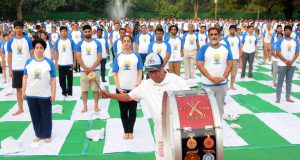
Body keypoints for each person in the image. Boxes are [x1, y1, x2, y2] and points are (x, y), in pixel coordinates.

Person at [100, 53, 189, 160]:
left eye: (153, 71)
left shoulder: (177, 81)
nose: (151, 75)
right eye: (148, 71)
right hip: (161, 136)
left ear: (161, 67)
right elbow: (128, 97)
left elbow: (190, 101)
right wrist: (109, 95)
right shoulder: (146, 85)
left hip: (180, 132)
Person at [22, 38, 56, 143]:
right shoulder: (28, 62)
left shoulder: (49, 63)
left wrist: (53, 93)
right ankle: (38, 133)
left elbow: (53, 79)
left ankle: (46, 134)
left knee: (46, 115)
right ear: (34, 49)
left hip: (44, 94)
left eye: (41, 48)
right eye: (37, 48)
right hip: (31, 93)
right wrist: (23, 91)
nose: (39, 50)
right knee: (35, 115)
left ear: (44, 49)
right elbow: (25, 77)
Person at [197, 27, 233, 117]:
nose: (214, 36)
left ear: (220, 36)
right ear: (208, 36)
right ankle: (208, 128)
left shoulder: (226, 48)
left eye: (216, 34)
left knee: (219, 108)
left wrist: (223, 77)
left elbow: (230, 64)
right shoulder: (203, 48)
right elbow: (200, 65)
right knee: (205, 108)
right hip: (207, 84)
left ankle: (218, 126)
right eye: (211, 35)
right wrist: (210, 78)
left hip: (222, 83)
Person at [112, 35, 143, 140]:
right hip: (122, 89)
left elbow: (140, 71)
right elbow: (115, 73)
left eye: (128, 41)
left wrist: (138, 83)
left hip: (134, 89)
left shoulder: (136, 56)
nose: (126, 43)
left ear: (131, 43)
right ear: (122, 43)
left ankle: (131, 130)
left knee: (133, 111)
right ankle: (126, 131)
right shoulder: (118, 57)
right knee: (123, 111)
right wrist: (118, 87)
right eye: (124, 41)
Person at [7, 20, 34, 116]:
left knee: (30, 89)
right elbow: (9, 56)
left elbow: (31, 53)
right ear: (14, 29)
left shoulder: (28, 40)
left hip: (27, 69)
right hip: (16, 69)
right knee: (18, 90)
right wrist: (10, 69)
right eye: (16, 28)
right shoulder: (10, 41)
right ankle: (20, 108)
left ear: (23, 29)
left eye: (20, 28)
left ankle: (32, 108)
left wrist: (33, 66)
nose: (18, 30)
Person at [76, 25, 102, 112]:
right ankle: (85, 106)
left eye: (89, 31)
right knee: (84, 89)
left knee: (95, 89)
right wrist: (85, 68)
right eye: (85, 32)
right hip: (84, 71)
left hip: (95, 70)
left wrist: (91, 68)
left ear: (91, 31)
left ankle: (96, 106)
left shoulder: (97, 43)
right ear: (83, 33)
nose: (87, 33)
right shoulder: (80, 44)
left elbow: (99, 57)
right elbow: (78, 57)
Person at [275, 25, 299, 103]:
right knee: (280, 81)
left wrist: (291, 62)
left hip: (292, 65)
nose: (287, 31)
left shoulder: (295, 41)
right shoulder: (280, 41)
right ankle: (278, 98)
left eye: (289, 30)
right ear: (284, 31)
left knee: (289, 82)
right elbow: (278, 53)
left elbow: (297, 53)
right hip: (282, 64)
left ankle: (287, 97)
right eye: (286, 30)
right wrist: (286, 61)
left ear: (291, 31)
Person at [54, 26, 76, 99]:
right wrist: (56, 63)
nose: (63, 32)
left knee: (70, 80)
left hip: (69, 63)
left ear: (67, 32)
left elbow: (75, 51)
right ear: (60, 33)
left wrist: (74, 62)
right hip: (61, 64)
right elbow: (56, 52)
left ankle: (70, 93)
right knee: (61, 80)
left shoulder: (71, 41)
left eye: (65, 31)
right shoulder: (58, 41)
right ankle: (64, 92)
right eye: (62, 31)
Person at [223, 25, 241, 90]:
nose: (233, 31)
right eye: (232, 29)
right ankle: (226, 85)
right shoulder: (225, 39)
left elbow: (239, 47)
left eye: (234, 30)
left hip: (235, 58)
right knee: (226, 72)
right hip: (227, 59)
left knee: (234, 73)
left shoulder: (238, 38)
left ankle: (231, 85)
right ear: (229, 30)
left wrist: (240, 57)